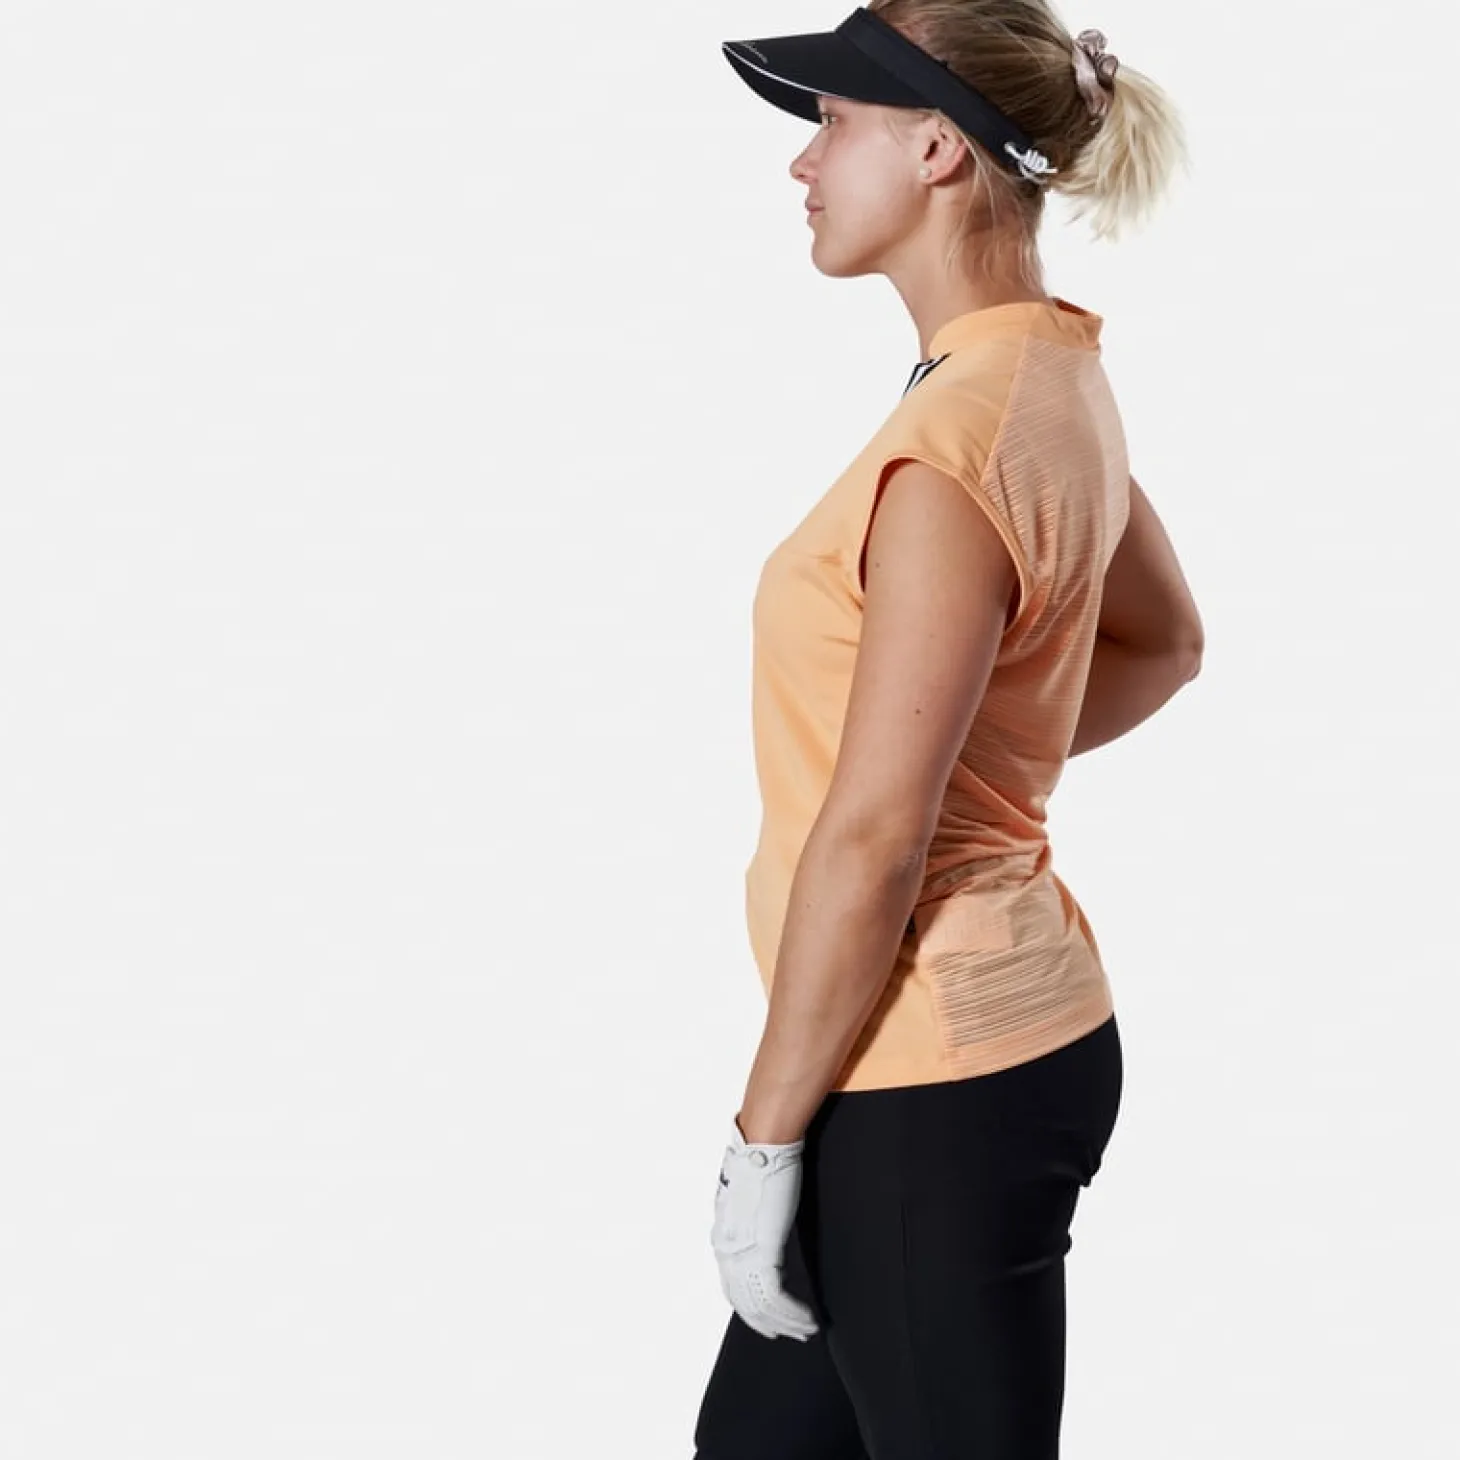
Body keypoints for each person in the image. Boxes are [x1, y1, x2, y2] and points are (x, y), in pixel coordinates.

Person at [695, 4, 1202, 1457]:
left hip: (932, 1082)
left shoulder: (952, 449)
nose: (804, 164)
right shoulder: (1045, 375)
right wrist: (977, 773)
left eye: (834, 124)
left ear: (934, 150)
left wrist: (761, 1142)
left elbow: (873, 836)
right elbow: (1165, 643)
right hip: (946, 1057)